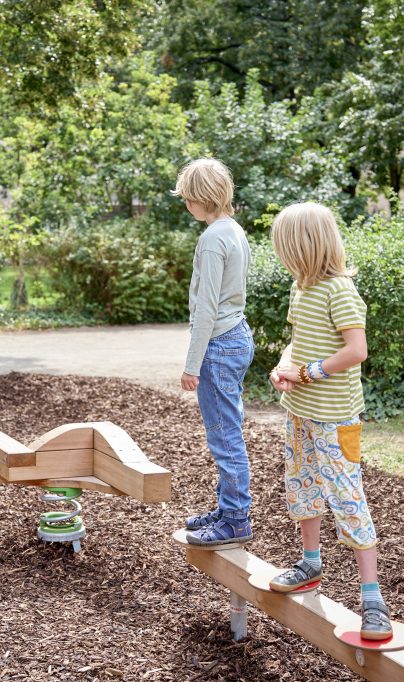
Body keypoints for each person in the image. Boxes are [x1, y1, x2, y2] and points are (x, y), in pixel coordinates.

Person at [266, 202, 392, 640]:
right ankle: (310, 564)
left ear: (303, 245)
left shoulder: (340, 290)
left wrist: (307, 373)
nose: (281, 255)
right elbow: (296, 345)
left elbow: (357, 350)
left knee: (347, 497)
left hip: (335, 419)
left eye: (284, 246)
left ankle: (372, 599)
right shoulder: (300, 288)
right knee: (301, 486)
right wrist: (283, 369)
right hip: (300, 412)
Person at [172, 158, 255, 548]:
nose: (186, 205)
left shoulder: (210, 240)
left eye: (188, 198)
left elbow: (205, 308)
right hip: (238, 334)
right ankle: (227, 508)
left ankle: (236, 518)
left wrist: (192, 364)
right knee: (228, 428)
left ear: (200, 198)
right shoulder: (234, 230)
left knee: (225, 436)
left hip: (218, 344)